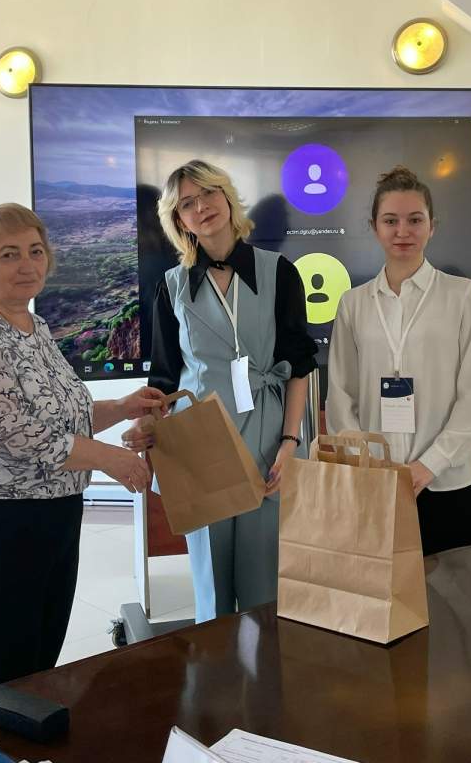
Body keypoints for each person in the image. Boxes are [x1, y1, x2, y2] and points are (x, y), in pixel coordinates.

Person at [0, 203, 165, 694]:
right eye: (9, 254)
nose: (27, 264)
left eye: (35, 251)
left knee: (35, 672)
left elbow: (60, 417)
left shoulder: (34, 327)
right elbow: (11, 434)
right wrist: (109, 458)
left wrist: (122, 406)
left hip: (52, 517)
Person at [123, 160, 316, 622]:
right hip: (199, 442)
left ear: (226, 196)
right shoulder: (171, 286)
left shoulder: (279, 272)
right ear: (178, 221)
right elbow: (164, 378)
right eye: (186, 204)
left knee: (263, 585)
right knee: (210, 589)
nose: (201, 207)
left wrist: (290, 442)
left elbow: (299, 367)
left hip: (267, 438)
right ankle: (216, 669)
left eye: (208, 193)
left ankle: (265, 666)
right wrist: (145, 433)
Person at [325, 166, 471, 556]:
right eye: (390, 221)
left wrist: (429, 464)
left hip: (448, 482)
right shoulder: (353, 304)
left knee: (458, 591)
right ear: (374, 227)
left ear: (432, 226)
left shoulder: (461, 295)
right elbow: (341, 396)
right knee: (381, 591)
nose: (403, 231)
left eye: (415, 220)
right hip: (377, 486)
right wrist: (369, 465)